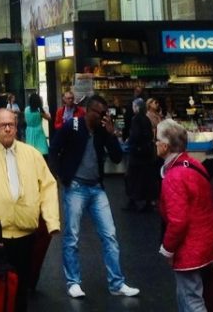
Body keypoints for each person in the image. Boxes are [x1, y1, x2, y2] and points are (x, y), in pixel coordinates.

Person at [0, 106, 60, 312]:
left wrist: (52, 222)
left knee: (20, 289)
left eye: (11, 125)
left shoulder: (32, 154)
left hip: (25, 234)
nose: (7, 129)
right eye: (2, 125)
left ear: (16, 127)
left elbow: (48, 187)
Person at [49, 92, 140, 298]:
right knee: (72, 236)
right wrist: (63, 178)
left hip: (96, 188)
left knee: (110, 235)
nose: (103, 117)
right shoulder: (72, 126)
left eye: (106, 114)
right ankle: (73, 282)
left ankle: (116, 283)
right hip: (76, 187)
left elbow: (117, 158)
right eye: (100, 114)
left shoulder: (102, 131)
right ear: (89, 112)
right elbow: (54, 149)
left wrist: (111, 134)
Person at [156, 117, 213, 312]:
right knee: (194, 293)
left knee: (191, 298)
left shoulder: (173, 177)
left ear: (165, 146)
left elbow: (178, 221)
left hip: (189, 247)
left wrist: (167, 249)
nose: (155, 144)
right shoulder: (194, 165)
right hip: (208, 240)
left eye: (157, 141)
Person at [123, 96, 155, 212]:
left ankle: (133, 200)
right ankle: (147, 201)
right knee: (145, 177)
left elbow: (135, 135)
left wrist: (129, 140)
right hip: (146, 152)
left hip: (136, 153)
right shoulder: (146, 119)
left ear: (136, 107)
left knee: (131, 176)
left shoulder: (135, 119)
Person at [23, 92, 50, 158]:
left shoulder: (26, 109)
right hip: (38, 131)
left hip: (29, 130)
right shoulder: (39, 111)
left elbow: (25, 119)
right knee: (41, 149)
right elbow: (49, 118)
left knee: (30, 147)